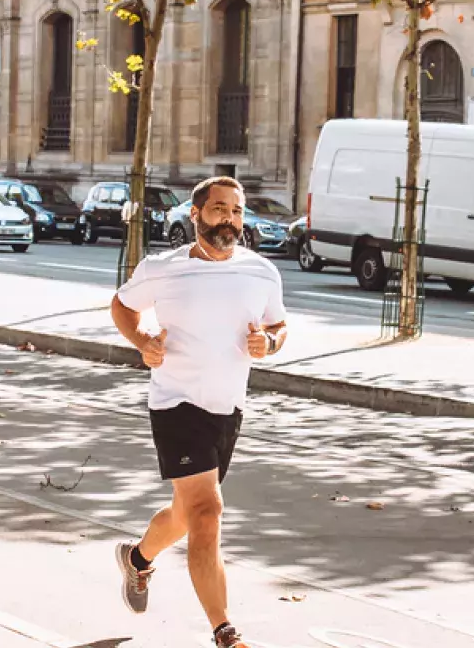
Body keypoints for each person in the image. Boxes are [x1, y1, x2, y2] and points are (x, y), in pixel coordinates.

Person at [107, 176, 288, 648]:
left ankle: (138, 558)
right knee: (208, 511)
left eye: (236, 211)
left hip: (227, 406)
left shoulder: (262, 272)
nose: (229, 219)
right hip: (175, 401)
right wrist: (143, 341)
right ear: (196, 215)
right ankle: (225, 631)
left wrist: (267, 343)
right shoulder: (162, 269)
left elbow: (278, 324)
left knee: (188, 513)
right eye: (219, 210)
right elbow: (122, 307)